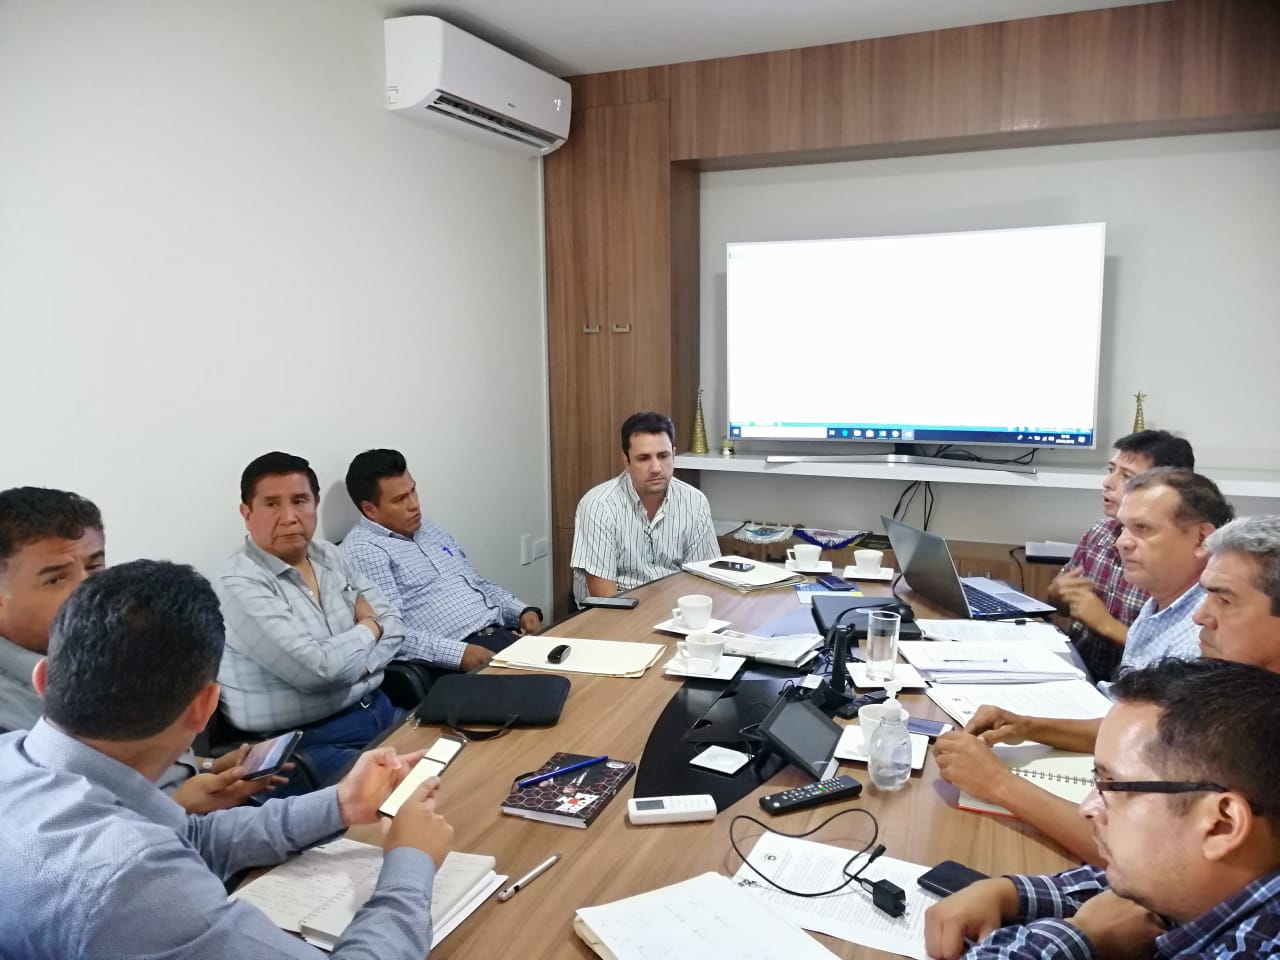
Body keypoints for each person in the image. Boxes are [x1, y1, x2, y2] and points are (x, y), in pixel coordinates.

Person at [0, 559, 453, 959]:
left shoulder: (16, 759)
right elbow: (148, 861)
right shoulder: (132, 882)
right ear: (205, 707)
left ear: (44, 679)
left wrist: (340, 804)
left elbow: (188, 835)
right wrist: (410, 866)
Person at [934, 469, 1234, 861]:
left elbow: (1145, 850)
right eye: (1123, 528)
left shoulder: (1208, 636)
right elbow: (1136, 731)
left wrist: (997, 783)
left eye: (1143, 529)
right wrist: (1027, 726)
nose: (1122, 542)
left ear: (1201, 539)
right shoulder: (1161, 603)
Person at [924, 658, 1280, 960]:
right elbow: (1140, 881)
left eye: (1112, 787)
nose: (1088, 808)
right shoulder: (1219, 875)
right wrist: (1011, 893)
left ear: (1221, 825)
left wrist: (1081, 934)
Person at [0, 486, 275, 813]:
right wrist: (176, 807)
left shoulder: (110, 645)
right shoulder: (8, 716)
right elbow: (50, 832)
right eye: (56, 579)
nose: (87, 591)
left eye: (94, 568)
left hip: (214, 817)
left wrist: (207, 767)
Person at [217, 452, 406, 790]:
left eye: (300, 501)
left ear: (315, 504)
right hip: (302, 745)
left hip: (379, 709)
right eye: (272, 504)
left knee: (461, 760)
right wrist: (369, 626)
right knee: (406, 794)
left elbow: (395, 622)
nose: (289, 517)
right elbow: (316, 671)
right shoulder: (239, 584)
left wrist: (349, 665)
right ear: (247, 513)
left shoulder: (329, 556)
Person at [341, 449, 543, 673]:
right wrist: (459, 654)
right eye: (400, 499)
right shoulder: (364, 551)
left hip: (502, 634)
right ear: (370, 509)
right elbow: (389, 632)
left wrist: (522, 611)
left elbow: (477, 583)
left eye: (413, 491)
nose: (414, 504)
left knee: (569, 665)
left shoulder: (428, 529)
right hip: (452, 661)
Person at [1048, 430, 1195, 682]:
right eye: (1110, 470)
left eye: (1127, 476)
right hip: (1076, 672)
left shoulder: (1179, 560)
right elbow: (1060, 606)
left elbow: (1174, 659)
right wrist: (1056, 594)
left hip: (1130, 688)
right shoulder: (1100, 532)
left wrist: (1105, 624)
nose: (1108, 482)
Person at [571, 411, 719, 604]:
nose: (656, 468)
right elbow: (604, 598)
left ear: (674, 455)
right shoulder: (598, 505)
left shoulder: (695, 502)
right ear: (626, 461)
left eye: (663, 456)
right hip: (616, 611)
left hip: (675, 609)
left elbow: (702, 582)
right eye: (644, 458)